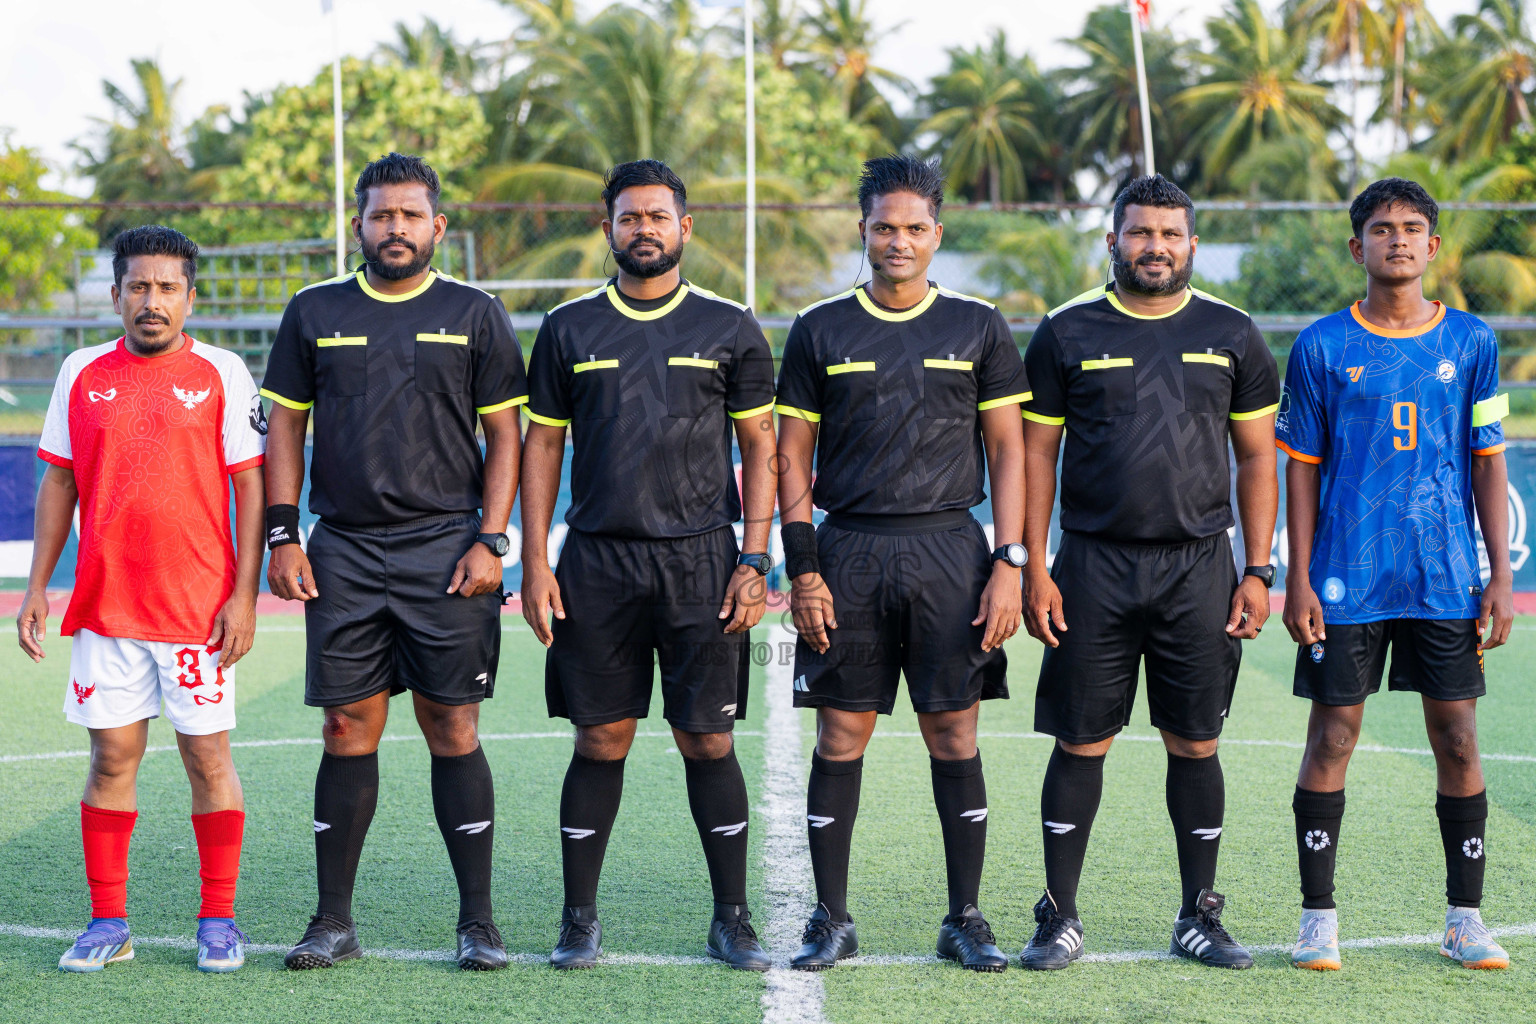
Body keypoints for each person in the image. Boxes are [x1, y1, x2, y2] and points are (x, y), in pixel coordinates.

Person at [260, 152, 527, 971]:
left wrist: (492, 538)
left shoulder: (475, 312)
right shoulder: (314, 310)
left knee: (452, 725)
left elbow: (506, 434)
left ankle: (477, 924)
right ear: (359, 225)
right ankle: (332, 922)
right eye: (382, 215)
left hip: (447, 548)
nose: (396, 228)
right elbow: (285, 427)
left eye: (411, 215)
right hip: (343, 547)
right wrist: (282, 533)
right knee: (345, 728)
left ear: (437, 225)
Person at [520, 159, 778, 971]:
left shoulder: (730, 325)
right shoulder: (568, 328)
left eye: (658, 217)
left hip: (703, 560)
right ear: (608, 228)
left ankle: (732, 918)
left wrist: (755, 557)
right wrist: (535, 560)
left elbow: (760, 448)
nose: (644, 230)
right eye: (629, 217)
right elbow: (542, 447)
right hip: (598, 561)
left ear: (684, 227)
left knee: (708, 739)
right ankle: (579, 920)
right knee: (601, 739)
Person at [775, 154, 1029, 973]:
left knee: (953, 732)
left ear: (937, 234)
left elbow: (1010, 452)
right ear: (863, 229)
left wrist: (1011, 561)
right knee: (841, 733)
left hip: (951, 548)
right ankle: (831, 918)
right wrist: (803, 568)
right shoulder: (819, 328)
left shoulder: (978, 326)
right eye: (884, 226)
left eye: (915, 228)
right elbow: (790, 457)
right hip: (847, 549)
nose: (899, 241)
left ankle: (965, 918)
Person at [1019, 174, 1279, 971]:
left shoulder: (1233, 333)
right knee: (1080, 741)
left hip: (1200, 566)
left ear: (1192, 244)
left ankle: (1198, 915)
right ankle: (1059, 915)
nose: (1154, 247)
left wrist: (1258, 569)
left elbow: (1257, 459)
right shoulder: (1065, 330)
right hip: (1092, 565)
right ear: (1113, 240)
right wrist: (1034, 565)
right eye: (1139, 232)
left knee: (1196, 742)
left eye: (1169, 234)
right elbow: (1036, 455)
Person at [1279, 178, 1513, 972]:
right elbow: (1301, 467)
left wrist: (1499, 577)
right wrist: (1298, 577)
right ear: (1358, 247)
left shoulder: (1473, 343)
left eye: (1413, 227)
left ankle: (1465, 920)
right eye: (1382, 229)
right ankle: (1317, 920)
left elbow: (1489, 460)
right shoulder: (1320, 346)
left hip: (1443, 576)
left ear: (1433, 246)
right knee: (1333, 736)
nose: (1399, 239)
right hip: (1346, 577)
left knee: (1458, 739)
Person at [19, 225, 266, 973]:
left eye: (166, 288)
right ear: (117, 294)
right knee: (110, 759)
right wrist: (37, 586)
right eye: (137, 287)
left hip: (197, 610)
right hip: (107, 607)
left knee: (207, 758)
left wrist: (245, 596)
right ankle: (109, 923)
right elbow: (59, 480)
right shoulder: (80, 371)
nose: (151, 301)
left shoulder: (224, 372)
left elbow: (250, 487)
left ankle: (219, 920)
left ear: (190, 297)